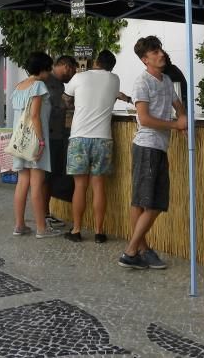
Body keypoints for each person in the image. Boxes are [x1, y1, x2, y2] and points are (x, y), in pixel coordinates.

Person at [119, 35, 186, 271]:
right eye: (155, 52)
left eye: (161, 50)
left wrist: (183, 117)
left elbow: (178, 105)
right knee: (153, 202)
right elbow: (144, 119)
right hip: (147, 146)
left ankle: (141, 251)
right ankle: (131, 251)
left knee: (141, 202)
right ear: (145, 59)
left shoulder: (166, 80)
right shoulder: (142, 82)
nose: (161, 54)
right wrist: (175, 125)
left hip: (158, 147)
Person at [63, 50, 128, 243]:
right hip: (103, 139)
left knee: (80, 186)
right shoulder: (114, 79)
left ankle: (76, 230)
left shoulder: (79, 76)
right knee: (99, 187)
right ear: (111, 66)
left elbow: (66, 99)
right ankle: (99, 232)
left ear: (96, 62)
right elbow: (112, 95)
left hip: (79, 138)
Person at [11, 52, 62, 239]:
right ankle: (42, 228)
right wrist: (41, 141)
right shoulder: (39, 85)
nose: (49, 72)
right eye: (48, 68)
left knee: (22, 182)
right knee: (37, 184)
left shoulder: (18, 87)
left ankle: (19, 225)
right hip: (34, 140)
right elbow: (34, 116)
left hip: (19, 141)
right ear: (42, 68)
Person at [42, 55, 77, 229]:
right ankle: (42, 217)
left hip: (57, 136)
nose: (73, 74)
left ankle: (46, 214)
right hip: (46, 137)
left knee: (51, 177)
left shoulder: (61, 85)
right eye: (72, 70)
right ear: (64, 66)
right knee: (43, 179)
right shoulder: (45, 81)